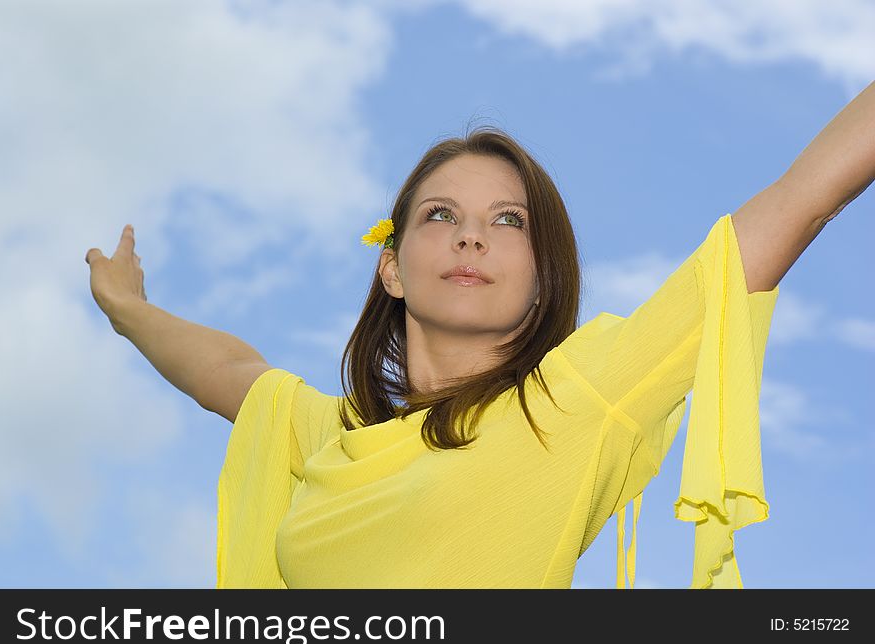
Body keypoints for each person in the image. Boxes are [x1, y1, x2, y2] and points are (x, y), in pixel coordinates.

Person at [85, 84, 874, 588]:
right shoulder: (331, 436)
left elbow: (797, 202)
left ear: (543, 277)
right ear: (391, 267)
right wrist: (126, 307)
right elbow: (229, 369)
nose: (471, 238)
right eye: (440, 216)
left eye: (507, 221)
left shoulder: (575, 403)